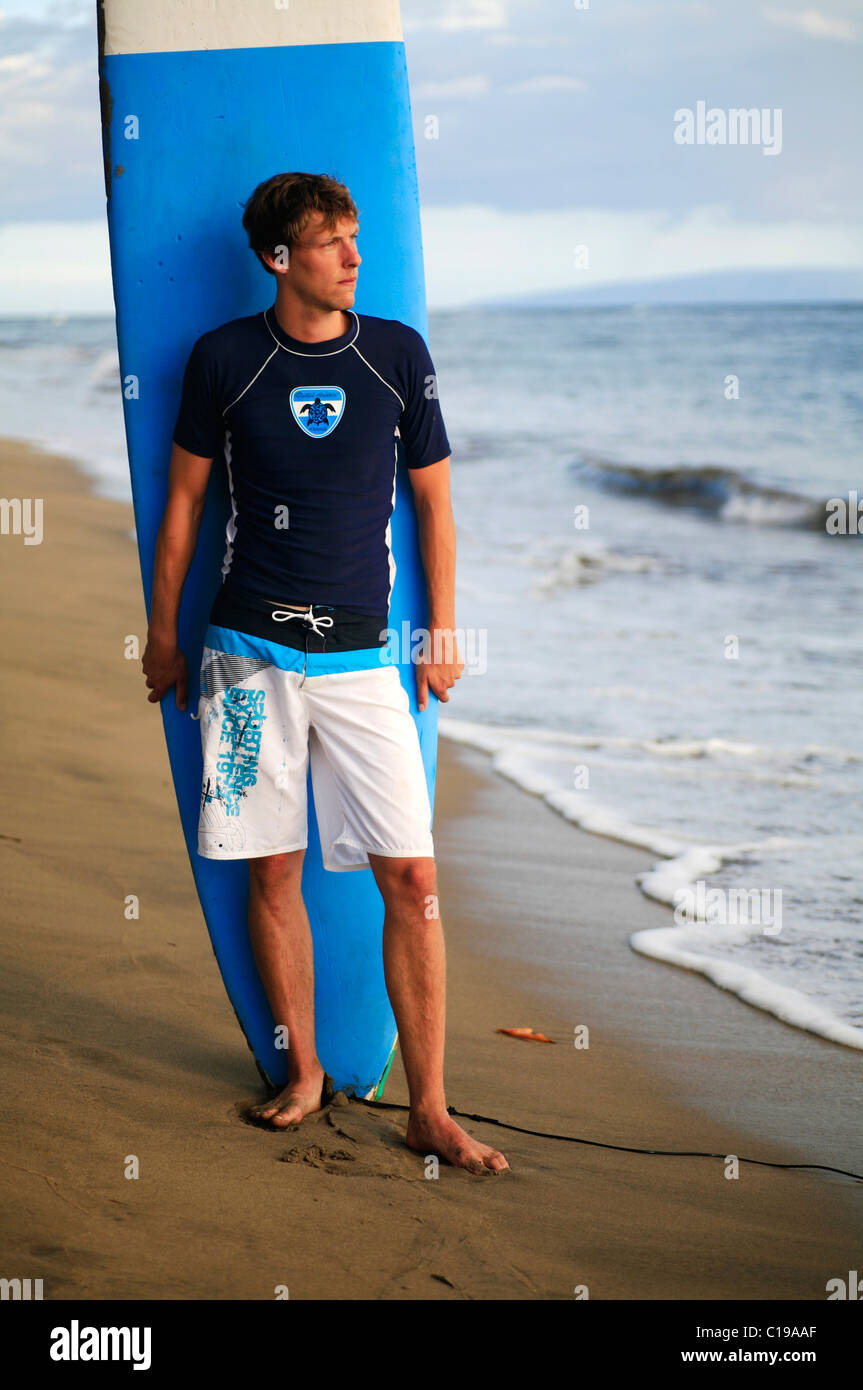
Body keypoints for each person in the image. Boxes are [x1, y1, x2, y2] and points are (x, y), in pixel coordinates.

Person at [141, 171, 508, 1175]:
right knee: (271, 867)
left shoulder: (396, 356)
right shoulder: (222, 360)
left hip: (360, 659)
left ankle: (428, 1107)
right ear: (278, 259)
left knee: (414, 877)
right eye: (329, 242)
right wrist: (161, 633)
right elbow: (182, 507)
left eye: (352, 238)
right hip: (245, 654)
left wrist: (440, 631)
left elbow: (431, 504)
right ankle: (301, 1069)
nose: (352, 256)